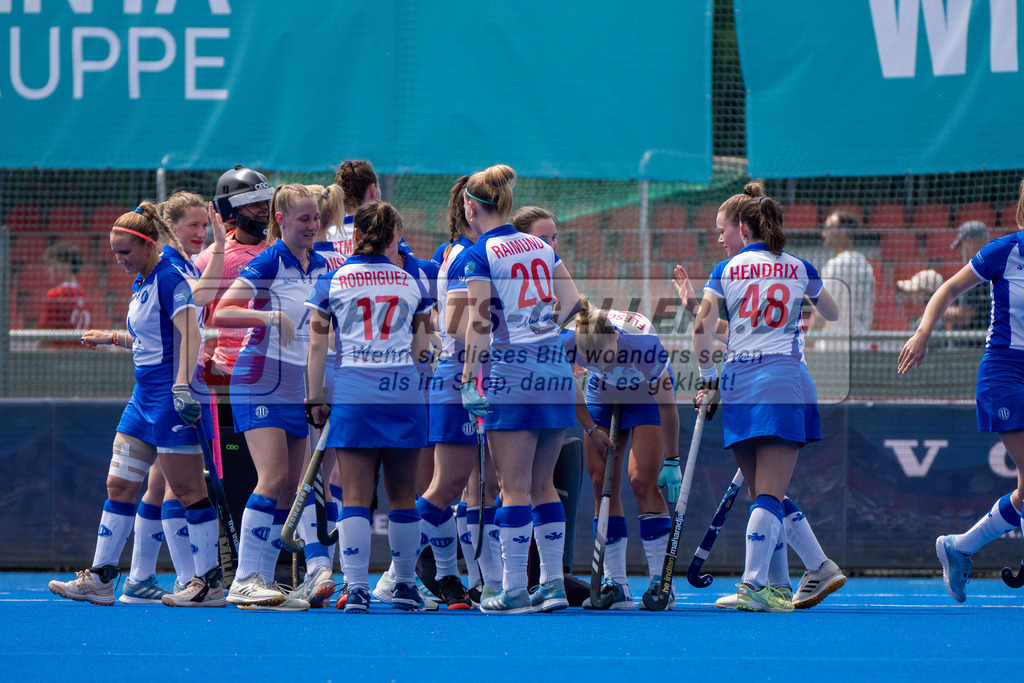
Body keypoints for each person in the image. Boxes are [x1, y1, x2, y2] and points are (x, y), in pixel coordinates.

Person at [48, 203, 223, 607]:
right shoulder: (142, 282)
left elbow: (190, 336)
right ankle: (102, 578)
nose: (119, 260)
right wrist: (111, 338)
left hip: (170, 400)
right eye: (114, 253)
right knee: (120, 485)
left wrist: (182, 386)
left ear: (148, 246)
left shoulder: (170, 278)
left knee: (187, 491)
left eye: (125, 252)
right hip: (142, 399)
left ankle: (209, 583)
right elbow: (150, 338)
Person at [692, 182, 840, 613]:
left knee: (763, 492)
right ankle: (761, 586)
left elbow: (700, 330)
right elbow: (831, 312)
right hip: (782, 380)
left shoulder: (725, 270)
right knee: (769, 495)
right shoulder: (798, 266)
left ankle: (769, 586)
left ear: (742, 225)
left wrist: (707, 379)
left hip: (738, 380)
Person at [457, 164, 583, 613]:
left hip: (511, 373)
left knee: (512, 488)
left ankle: (511, 589)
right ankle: (551, 586)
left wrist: (471, 381)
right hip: (553, 369)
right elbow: (572, 305)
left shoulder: (477, 254)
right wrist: (541, 328)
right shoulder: (540, 246)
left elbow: (475, 324)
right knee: (543, 484)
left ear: (472, 208)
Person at [898, 180, 1024, 603]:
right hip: (1005, 373)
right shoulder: (1003, 252)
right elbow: (948, 289)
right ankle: (960, 547)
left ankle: (959, 546)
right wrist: (922, 333)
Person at [306, 201, 433, 613]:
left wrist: (314, 399)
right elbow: (424, 351)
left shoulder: (331, 280)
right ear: (395, 236)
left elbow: (317, 347)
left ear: (355, 234)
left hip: (356, 390)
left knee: (356, 494)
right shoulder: (412, 282)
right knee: (402, 496)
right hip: (403, 392)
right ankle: (406, 585)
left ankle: (357, 587)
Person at [214, 183, 329, 610]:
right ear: (280, 220)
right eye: (304, 218)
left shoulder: (319, 263)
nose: (312, 225)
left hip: (297, 383)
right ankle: (245, 578)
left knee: (289, 492)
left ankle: (264, 584)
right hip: (258, 377)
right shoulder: (269, 260)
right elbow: (223, 310)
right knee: (274, 478)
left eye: (316, 217)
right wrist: (269, 315)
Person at [561, 300, 679, 610]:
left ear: (615, 335)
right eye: (593, 363)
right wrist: (589, 430)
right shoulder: (568, 339)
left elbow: (667, 405)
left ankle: (660, 582)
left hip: (645, 396)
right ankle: (617, 583)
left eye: (605, 358)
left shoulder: (643, 344)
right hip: (601, 395)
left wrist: (673, 459)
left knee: (642, 481)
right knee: (602, 484)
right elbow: (567, 385)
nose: (602, 367)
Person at [195, 166, 272, 539]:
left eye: (266, 203)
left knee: (277, 477)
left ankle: (290, 568)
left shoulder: (280, 251)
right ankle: (234, 567)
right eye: (254, 205)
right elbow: (199, 310)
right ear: (232, 212)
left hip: (278, 378)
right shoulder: (214, 259)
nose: (264, 212)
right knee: (236, 478)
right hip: (228, 381)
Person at [810, 210, 873, 342]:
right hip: (861, 345)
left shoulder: (836, 265)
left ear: (843, 232)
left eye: (829, 229)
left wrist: (808, 342)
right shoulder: (866, 265)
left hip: (836, 350)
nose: (823, 234)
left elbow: (822, 311)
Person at [946, 220, 992, 342]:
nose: (961, 252)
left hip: (970, 347)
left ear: (970, 243)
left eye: (962, 246)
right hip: (988, 343)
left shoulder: (974, 273)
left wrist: (935, 309)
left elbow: (964, 315)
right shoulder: (994, 267)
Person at [39, 241, 90, 345]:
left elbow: (45, 334)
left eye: (52, 265)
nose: (48, 270)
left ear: (66, 266)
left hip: (60, 356)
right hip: (83, 355)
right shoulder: (86, 295)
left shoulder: (55, 295)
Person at [897, 269, 944, 333]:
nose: (913, 294)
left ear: (928, 294)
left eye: (917, 291)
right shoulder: (927, 319)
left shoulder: (932, 321)